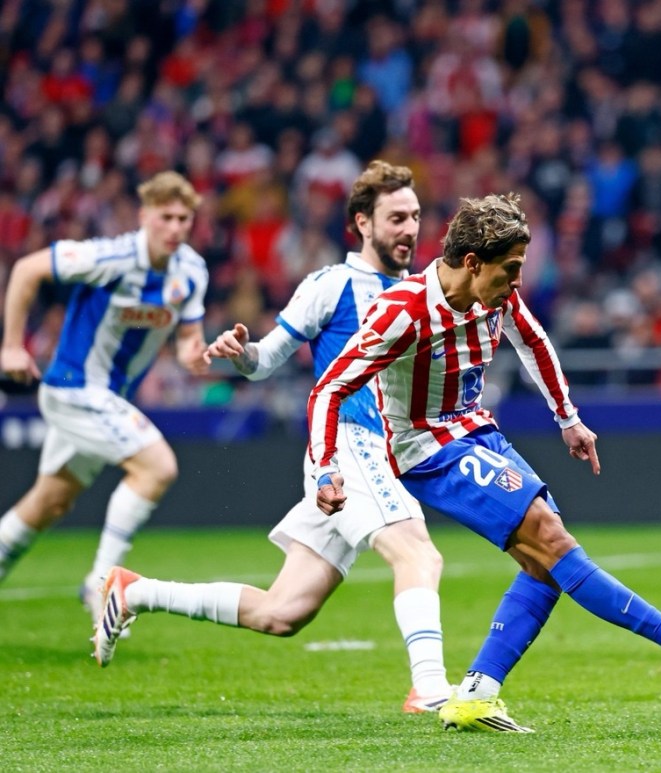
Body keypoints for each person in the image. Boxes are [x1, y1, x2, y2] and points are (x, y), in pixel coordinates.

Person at [303, 192, 661, 732]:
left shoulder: (495, 297)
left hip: (478, 432)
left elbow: (534, 341)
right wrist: (326, 467)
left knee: (544, 563)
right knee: (551, 537)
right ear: (473, 263)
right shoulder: (403, 312)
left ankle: (476, 693)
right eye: (511, 268)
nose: (518, 281)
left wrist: (568, 418)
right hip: (428, 448)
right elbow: (330, 388)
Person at [92, 160, 452, 714]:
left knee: (282, 612)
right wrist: (241, 354)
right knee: (418, 554)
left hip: (378, 455)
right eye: (396, 218)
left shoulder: (416, 291)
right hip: (346, 446)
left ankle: (133, 590)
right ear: (363, 222)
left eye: (415, 217)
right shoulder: (331, 284)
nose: (410, 229)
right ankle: (429, 688)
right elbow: (266, 359)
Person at [0, 171, 209, 628]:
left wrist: (194, 352)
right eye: (166, 217)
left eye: (183, 219)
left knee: (50, 501)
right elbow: (27, 269)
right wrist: (11, 346)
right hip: (73, 387)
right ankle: (102, 586)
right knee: (157, 467)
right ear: (144, 216)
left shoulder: (192, 271)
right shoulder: (110, 257)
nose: (175, 227)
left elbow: (187, 337)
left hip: (108, 399)